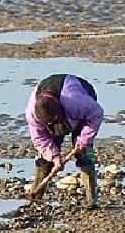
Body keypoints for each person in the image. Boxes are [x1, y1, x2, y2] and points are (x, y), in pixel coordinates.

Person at [25, 74, 104, 209]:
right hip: (60, 110)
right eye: (47, 123)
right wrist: (54, 157)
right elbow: (40, 139)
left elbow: (96, 114)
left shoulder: (77, 102)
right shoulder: (32, 114)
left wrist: (83, 140)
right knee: (44, 159)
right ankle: (35, 199)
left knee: (84, 154)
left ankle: (92, 200)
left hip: (79, 106)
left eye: (53, 121)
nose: (52, 125)